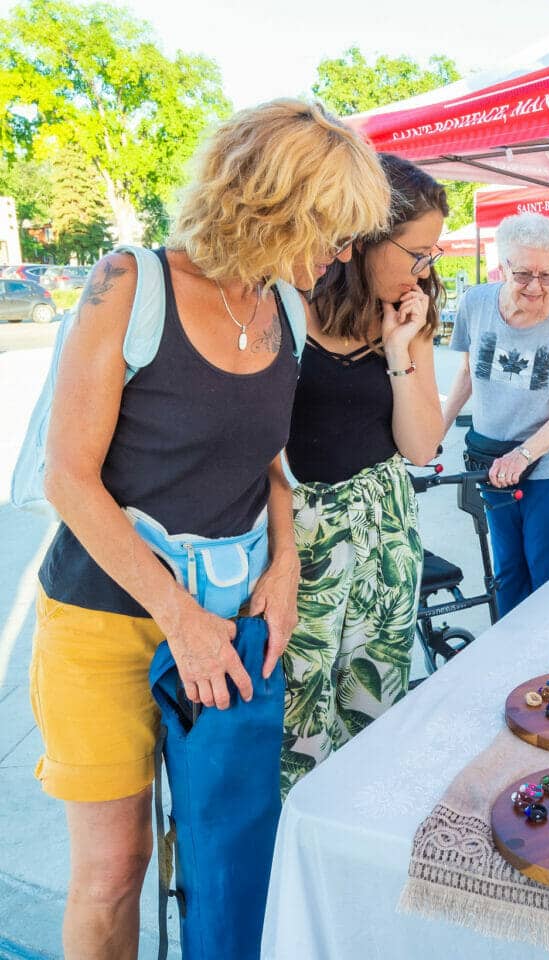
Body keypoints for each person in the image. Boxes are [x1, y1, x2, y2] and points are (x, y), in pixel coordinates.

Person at [30, 99, 390, 957]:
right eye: (332, 233)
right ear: (272, 208)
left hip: (229, 620)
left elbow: (269, 463)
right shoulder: (130, 283)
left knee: (223, 859)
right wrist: (178, 618)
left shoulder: (288, 313)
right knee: (114, 872)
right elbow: (68, 480)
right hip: (104, 617)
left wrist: (287, 566)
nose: (342, 257)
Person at [282, 156, 447, 795]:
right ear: (365, 240)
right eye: (418, 254)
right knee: (297, 719)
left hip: (383, 533)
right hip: (297, 536)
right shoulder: (286, 304)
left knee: (373, 703)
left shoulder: (410, 314)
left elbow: (421, 443)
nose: (425, 271)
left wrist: (400, 349)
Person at [441, 212, 549, 618]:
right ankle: (510, 660)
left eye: (548, 276)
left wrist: (523, 456)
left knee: (546, 571)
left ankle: (547, 665)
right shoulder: (475, 302)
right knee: (508, 568)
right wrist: (435, 430)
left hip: (547, 466)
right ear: (503, 266)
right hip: (491, 460)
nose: (536, 287)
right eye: (524, 274)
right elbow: (466, 376)